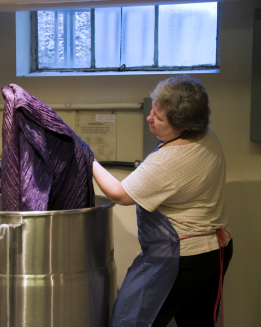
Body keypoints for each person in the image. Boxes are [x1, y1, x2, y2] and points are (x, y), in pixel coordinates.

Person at [92, 75, 233, 327]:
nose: (149, 118)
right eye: (152, 109)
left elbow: (118, 194)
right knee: (198, 322)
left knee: (132, 320)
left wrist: (88, 158)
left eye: (157, 117)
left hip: (182, 258)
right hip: (216, 250)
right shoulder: (206, 133)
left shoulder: (170, 160)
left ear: (181, 127)